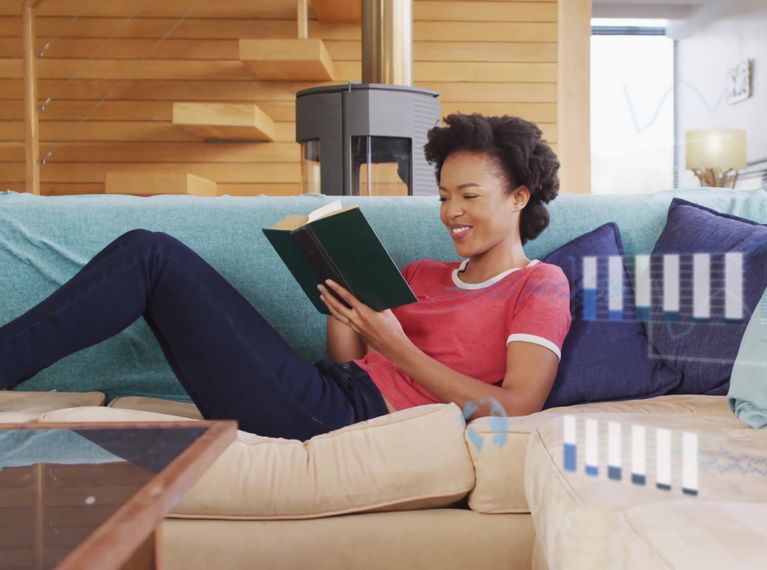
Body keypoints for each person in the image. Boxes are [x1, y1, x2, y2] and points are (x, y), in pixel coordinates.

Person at [0, 114, 571, 441]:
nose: (451, 212)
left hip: (347, 418)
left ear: (519, 197)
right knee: (149, 253)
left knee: (153, 257)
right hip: (327, 389)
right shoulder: (423, 273)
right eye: (444, 197)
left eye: (469, 196)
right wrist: (340, 303)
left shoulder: (539, 284)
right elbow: (349, 362)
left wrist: (396, 345)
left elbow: (518, 407)